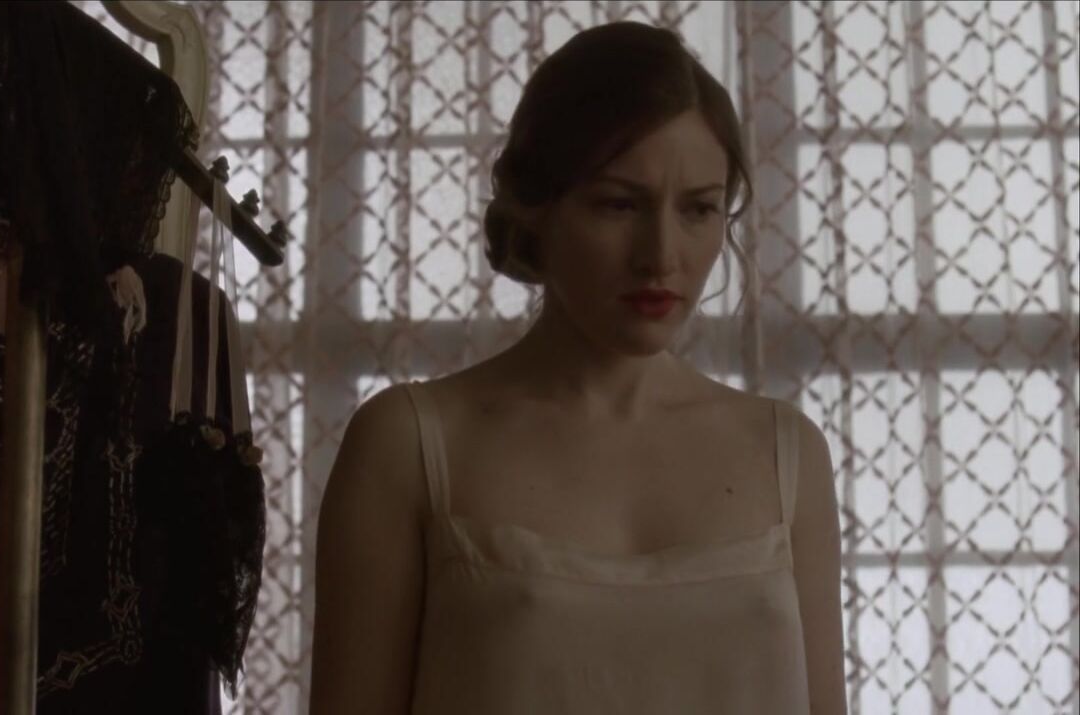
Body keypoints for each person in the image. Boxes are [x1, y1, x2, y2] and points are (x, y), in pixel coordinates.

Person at [310, 21, 847, 715]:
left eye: (698, 209)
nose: (661, 254)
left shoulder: (786, 454)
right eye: (618, 204)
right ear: (537, 207)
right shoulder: (409, 444)